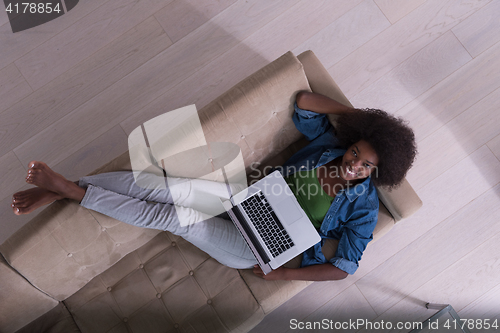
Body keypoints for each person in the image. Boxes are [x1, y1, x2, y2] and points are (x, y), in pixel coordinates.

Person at [11, 92, 416, 281]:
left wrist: (282, 277)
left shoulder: (362, 208)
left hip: (259, 245)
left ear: (376, 174)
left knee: (178, 219)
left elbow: (343, 269)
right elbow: (305, 102)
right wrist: (360, 117)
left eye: (366, 166)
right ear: (353, 141)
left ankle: (74, 191)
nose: (354, 165)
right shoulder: (331, 144)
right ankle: (66, 189)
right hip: (249, 198)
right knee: (163, 186)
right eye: (357, 152)